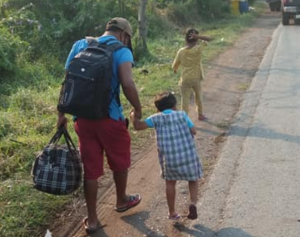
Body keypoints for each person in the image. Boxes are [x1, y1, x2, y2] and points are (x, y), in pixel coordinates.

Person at [57, 17, 142, 234]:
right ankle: (122, 199)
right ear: (124, 35)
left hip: (82, 119)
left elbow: (67, 80)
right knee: (120, 161)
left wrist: (61, 114)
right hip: (110, 118)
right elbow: (127, 83)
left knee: (91, 170)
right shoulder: (122, 51)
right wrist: (138, 109)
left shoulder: (80, 44)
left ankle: (93, 219)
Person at [130, 92, 203, 220]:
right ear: (175, 105)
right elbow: (194, 131)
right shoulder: (182, 115)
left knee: (170, 183)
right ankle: (192, 203)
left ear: (158, 109)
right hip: (188, 157)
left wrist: (133, 117)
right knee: (193, 179)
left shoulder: (156, 118)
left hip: (170, 160)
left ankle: (172, 212)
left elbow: (138, 126)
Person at [172, 28, 213, 121]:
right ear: (196, 40)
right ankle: (200, 114)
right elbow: (210, 39)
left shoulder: (181, 51)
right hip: (196, 78)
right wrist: (198, 36)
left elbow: (175, 65)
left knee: (185, 100)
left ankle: (184, 118)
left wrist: (175, 69)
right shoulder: (198, 49)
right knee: (198, 96)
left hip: (185, 79)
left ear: (185, 39)